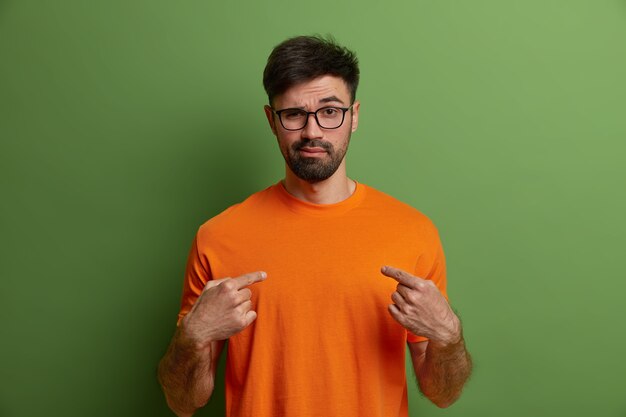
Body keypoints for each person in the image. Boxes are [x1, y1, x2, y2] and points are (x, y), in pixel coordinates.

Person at [157, 35, 472, 417]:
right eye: (293, 114)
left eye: (329, 111)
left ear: (354, 116)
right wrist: (192, 336)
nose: (312, 132)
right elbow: (183, 402)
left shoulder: (414, 232)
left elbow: (443, 393)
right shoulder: (218, 237)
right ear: (271, 121)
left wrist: (449, 336)